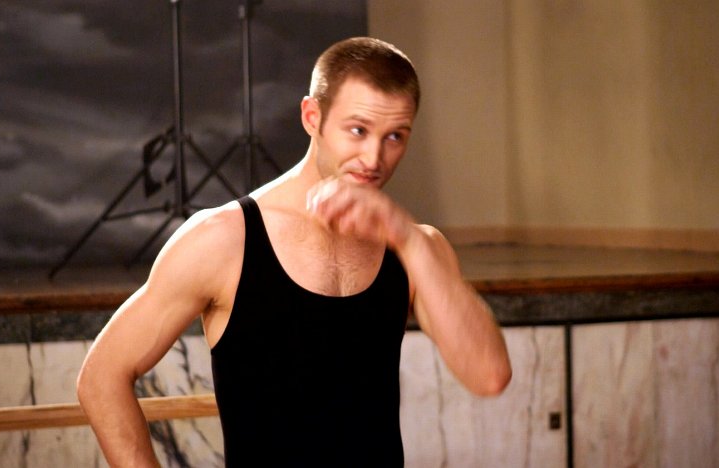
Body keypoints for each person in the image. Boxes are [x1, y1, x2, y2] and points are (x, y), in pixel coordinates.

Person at [77, 36, 512, 467]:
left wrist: (409, 241)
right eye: (358, 130)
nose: (374, 157)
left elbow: (489, 375)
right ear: (312, 117)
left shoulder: (416, 247)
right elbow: (101, 377)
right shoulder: (223, 238)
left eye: (395, 136)